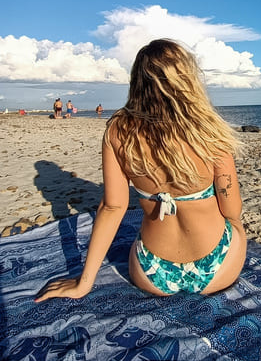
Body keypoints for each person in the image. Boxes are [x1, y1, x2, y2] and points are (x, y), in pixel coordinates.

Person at [36, 39, 246, 301]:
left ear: (137, 80)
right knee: (234, 223)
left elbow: (112, 208)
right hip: (219, 268)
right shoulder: (210, 131)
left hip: (150, 272)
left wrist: (83, 283)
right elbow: (231, 209)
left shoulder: (118, 130)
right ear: (187, 80)